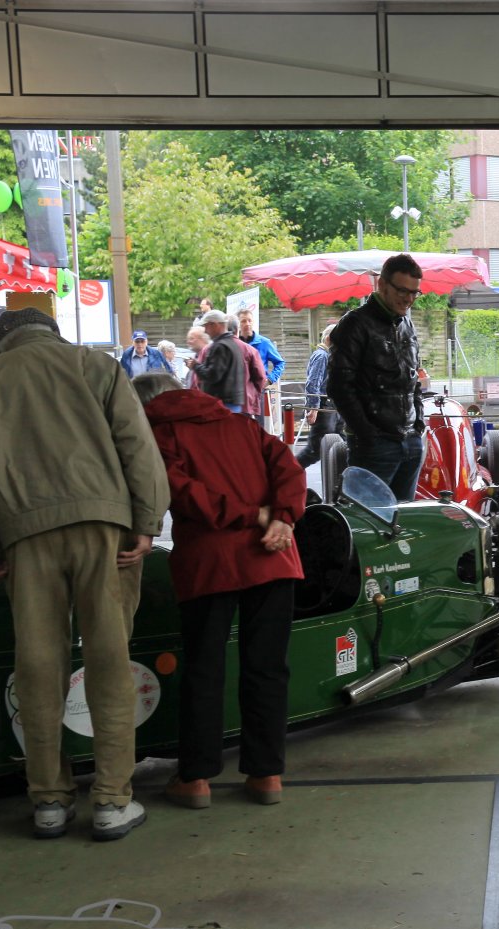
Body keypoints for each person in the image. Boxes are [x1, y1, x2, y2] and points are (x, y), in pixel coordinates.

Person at [0, 308, 169, 842]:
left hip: (24, 534)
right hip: (105, 528)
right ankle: (112, 800)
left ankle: (48, 800)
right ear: (53, 333)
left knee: (38, 664)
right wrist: (147, 522)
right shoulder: (96, 365)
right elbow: (137, 444)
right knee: (109, 660)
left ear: (2, 345)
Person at [131, 373, 305, 810]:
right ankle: (266, 775)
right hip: (273, 555)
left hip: (210, 563)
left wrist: (256, 515)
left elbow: (186, 495)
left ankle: (196, 779)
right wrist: (281, 518)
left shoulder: (156, 436)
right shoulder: (242, 423)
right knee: (268, 668)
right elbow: (289, 468)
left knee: (204, 669)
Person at [327, 253, 427, 502]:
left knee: (402, 520)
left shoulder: (407, 325)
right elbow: (339, 387)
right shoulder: (355, 324)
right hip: (375, 446)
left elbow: (413, 381)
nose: (409, 298)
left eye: (414, 292)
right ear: (382, 284)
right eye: (402, 290)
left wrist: (418, 424)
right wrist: (367, 435)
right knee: (368, 520)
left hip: (410, 441)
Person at [194, 309, 265, 418]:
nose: (205, 331)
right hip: (244, 404)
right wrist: (254, 396)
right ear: (237, 329)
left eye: (206, 326)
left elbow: (205, 378)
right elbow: (260, 378)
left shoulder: (214, 348)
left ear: (216, 325)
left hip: (219, 404)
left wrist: (195, 366)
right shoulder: (247, 349)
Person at [296, 324, 340, 469]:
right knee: (314, 451)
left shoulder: (327, 356)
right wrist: (314, 408)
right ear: (329, 339)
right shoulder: (322, 356)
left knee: (342, 445)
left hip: (331, 406)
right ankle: (286, 474)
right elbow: (313, 383)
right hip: (323, 406)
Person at [236, 306, 284, 427]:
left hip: (258, 390)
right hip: (238, 391)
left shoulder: (264, 342)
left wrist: (270, 379)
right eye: (243, 321)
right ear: (238, 324)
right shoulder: (234, 343)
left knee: (259, 427)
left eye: (249, 320)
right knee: (240, 427)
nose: (247, 324)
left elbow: (280, 363)